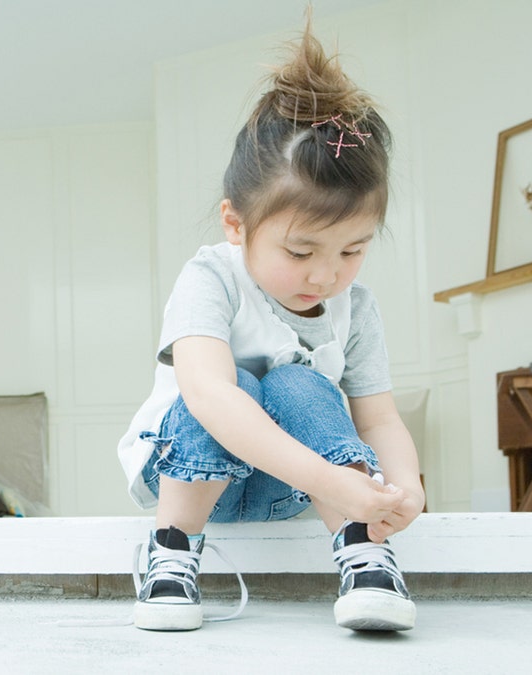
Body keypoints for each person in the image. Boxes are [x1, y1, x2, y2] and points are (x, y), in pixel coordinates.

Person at [117, 20, 424, 633]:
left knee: (301, 387)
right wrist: (334, 481)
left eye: (352, 250)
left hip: (285, 490)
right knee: (240, 389)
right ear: (236, 224)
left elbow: (380, 418)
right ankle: (172, 553)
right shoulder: (211, 278)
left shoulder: (355, 307)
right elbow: (208, 396)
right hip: (189, 473)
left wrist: (405, 489)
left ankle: (364, 550)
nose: (327, 276)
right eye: (302, 252)